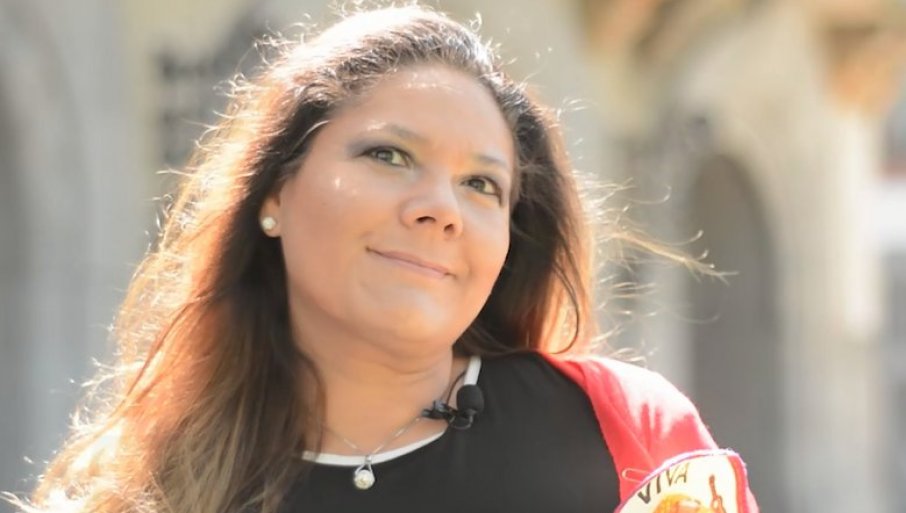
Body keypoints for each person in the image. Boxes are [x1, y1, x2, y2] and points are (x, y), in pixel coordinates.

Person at [9, 5, 758, 513]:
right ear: (274, 193)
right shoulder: (143, 491)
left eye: (481, 185)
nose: (441, 207)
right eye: (389, 155)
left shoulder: (627, 433)